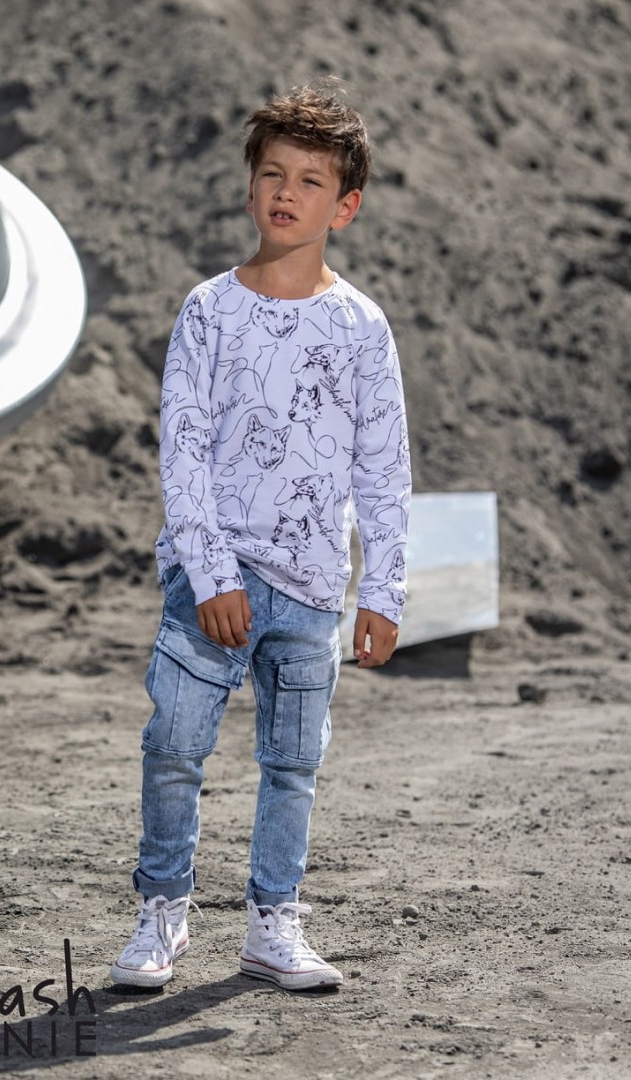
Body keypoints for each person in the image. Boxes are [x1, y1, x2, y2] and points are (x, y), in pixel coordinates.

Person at [110, 81, 411, 990]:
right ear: (250, 190)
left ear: (345, 207)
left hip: (315, 589)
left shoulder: (362, 327)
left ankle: (274, 924)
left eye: (312, 181)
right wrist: (210, 575)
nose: (287, 192)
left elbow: (383, 468)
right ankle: (162, 913)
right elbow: (183, 451)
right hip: (218, 578)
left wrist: (382, 590)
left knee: (293, 766)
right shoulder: (209, 310)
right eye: (273, 174)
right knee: (175, 748)